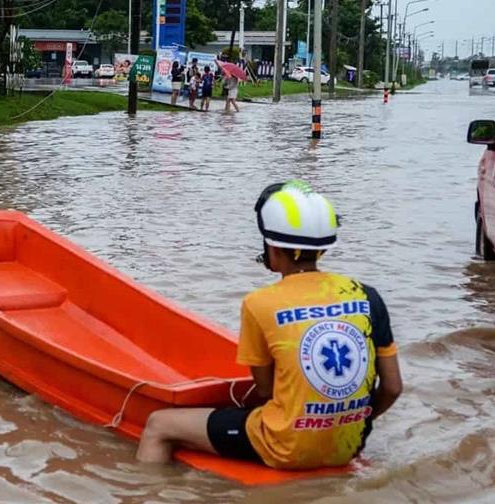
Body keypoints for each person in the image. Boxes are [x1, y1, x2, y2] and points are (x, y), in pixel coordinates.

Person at [136, 180, 403, 471]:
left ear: (272, 248)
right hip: (348, 447)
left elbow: (266, 391)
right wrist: (349, 424)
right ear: (323, 249)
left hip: (283, 446)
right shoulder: (367, 296)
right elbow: (392, 387)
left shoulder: (260, 303)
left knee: (158, 426)